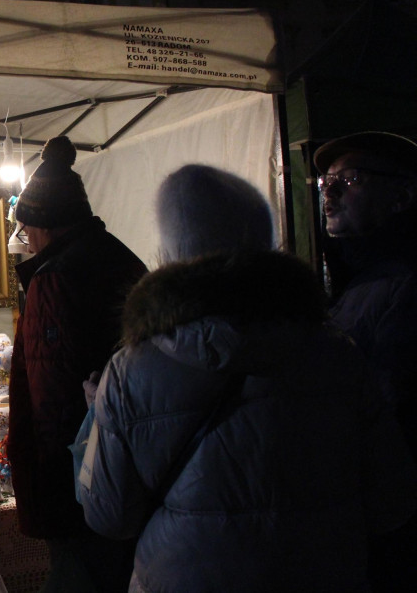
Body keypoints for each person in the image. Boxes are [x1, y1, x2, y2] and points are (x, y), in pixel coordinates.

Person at [79, 164, 417, 592]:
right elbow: (393, 502)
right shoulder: (336, 355)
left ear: (169, 249)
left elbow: (109, 516)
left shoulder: (132, 370)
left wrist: (102, 420)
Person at [8, 135, 147, 592]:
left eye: (27, 224)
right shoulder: (120, 256)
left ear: (46, 223)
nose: (25, 236)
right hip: (127, 458)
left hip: (77, 476)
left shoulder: (55, 279)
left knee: (82, 575)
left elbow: (52, 401)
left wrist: (50, 486)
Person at [313, 131, 417, 591]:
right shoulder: (361, 279)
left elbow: (389, 410)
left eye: (350, 179)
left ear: (402, 196)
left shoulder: (403, 284)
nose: (329, 192)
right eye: (327, 181)